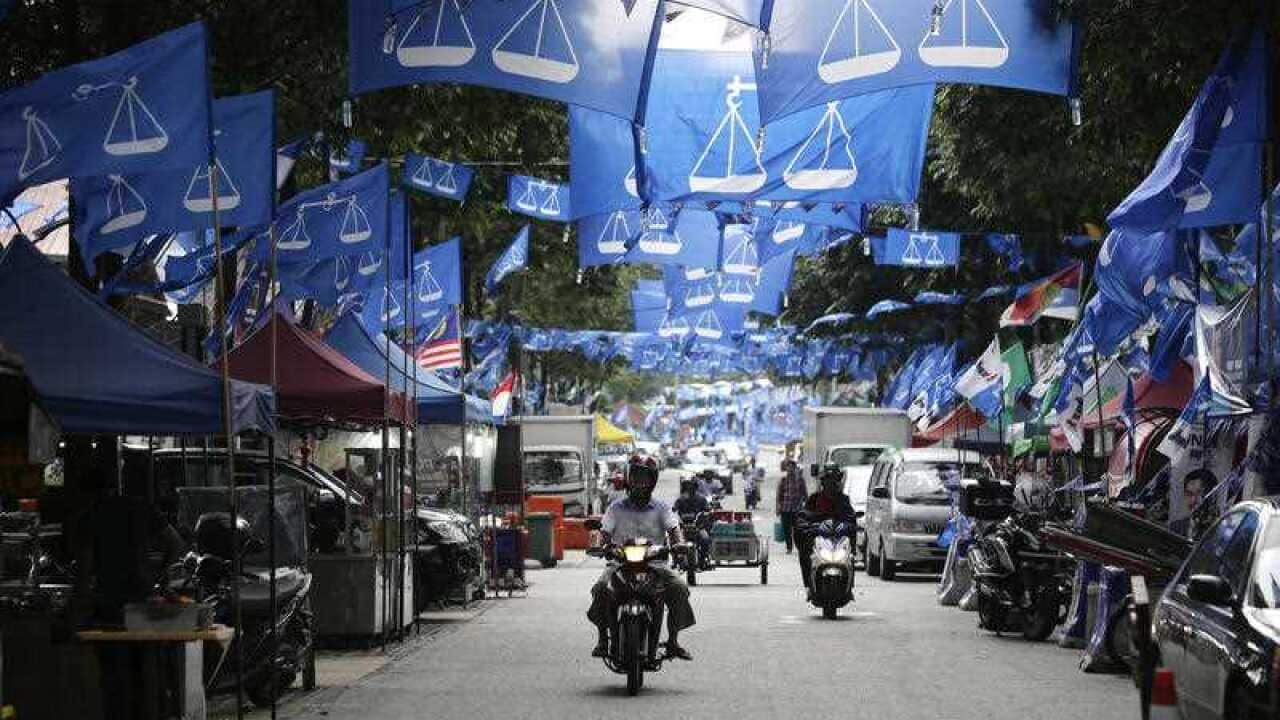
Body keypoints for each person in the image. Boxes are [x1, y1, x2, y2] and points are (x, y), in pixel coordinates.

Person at [588, 456, 696, 660]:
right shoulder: (615, 508)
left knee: (679, 589)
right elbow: (604, 531)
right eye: (636, 476)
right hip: (619, 564)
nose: (640, 482)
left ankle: (673, 641)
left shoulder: (662, 508)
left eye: (644, 477)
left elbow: (674, 528)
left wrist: (679, 544)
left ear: (652, 481)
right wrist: (597, 544)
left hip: (655, 565)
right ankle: (603, 639)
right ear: (629, 478)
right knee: (601, 588)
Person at [796, 465, 858, 592]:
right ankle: (809, 584)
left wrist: (847, 525)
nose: (831, 483)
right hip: (818, 537)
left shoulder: (844, 499)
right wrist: (811, 526)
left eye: (834, 480)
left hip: (839, 538)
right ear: (823, 482)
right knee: (805, 551)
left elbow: (851, 519)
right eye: (828, 480)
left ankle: (849, 586)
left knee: (851, 556)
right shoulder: (814, 499)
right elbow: (803, 517)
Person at [673, 478, 712, 564]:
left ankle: (703, 559)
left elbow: (708, 508)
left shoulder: (701, 499)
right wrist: (673, 509)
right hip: (683, 527)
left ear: (696, 487)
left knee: (705, 539)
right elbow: (674, 508)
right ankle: (675, 560)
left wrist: (707, 511)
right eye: (688, 486)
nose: (690, 488)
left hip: (698, 527)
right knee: (673, 539)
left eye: (692, 486)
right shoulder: (681, 499)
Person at [775, 458, 808, 553]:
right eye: (788, 467)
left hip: (797, 509)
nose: (790, 469)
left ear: (795, 468)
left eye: (792, 467)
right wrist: (778, 508)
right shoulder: (783, 480)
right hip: (785, 509)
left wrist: (808, 507)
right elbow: (779, 495)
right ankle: (789, 547)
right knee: (786, 530)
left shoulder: (800, 479)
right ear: (786, 468)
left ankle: (799, 547)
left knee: (798, 529)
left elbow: (804, 493)